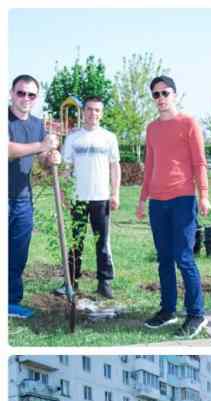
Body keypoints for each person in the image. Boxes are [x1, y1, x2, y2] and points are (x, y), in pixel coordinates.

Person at [136, 75, 210, 340]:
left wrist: (204, 195)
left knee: (184, 257)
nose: (160, 99)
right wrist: (143, 199)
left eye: (164, 93)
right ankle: (168, 310)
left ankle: (196, 314)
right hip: (157, 202)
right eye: (155, 95)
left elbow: (199, 162)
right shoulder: (152, 129)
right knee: (164, 259)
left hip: (182, 199)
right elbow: (150, 165)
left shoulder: (188, 123)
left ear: (174, 94)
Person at [55, 96, 120, 299]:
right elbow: (66, 168)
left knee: (102, 241)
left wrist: (115, 193)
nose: (93, 114)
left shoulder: (109, 137)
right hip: (78, 199)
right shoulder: (73, 138)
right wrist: (64, 193)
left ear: (102, 113)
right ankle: (71, 281)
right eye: (90, 109)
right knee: (76, 241)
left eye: (97, 110)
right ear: (83, 112)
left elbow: (114, 166)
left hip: (101, 198)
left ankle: (104, 282)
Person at [8, 74, 61, 319]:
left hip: (22, 199)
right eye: (21, 93)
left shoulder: (38, 124)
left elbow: (40, 161)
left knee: (18, 252)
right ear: (11, 93)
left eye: (31, 94)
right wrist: (41, 146)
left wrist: (51, 157)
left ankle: (10, 302)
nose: (26, 98)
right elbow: (7, 150)